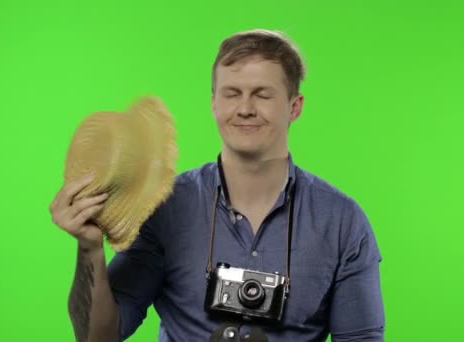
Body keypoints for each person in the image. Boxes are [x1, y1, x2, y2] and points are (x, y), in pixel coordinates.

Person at [50, 29, 385, 342]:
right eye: (232, 93)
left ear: (294, 107)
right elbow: (100, 337)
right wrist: (90, 248)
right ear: (213, 103)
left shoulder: (342, 222)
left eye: (262, 95)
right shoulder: (164, 206)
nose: (245, 109)